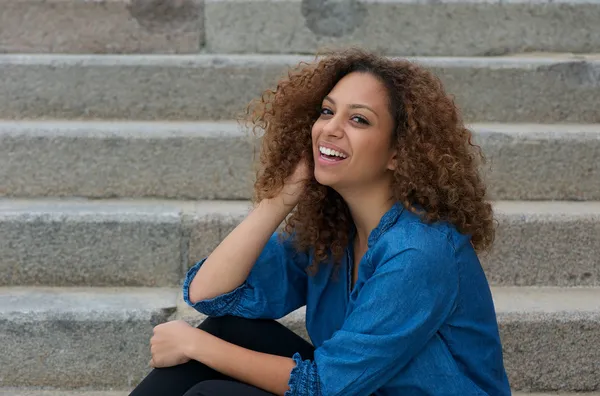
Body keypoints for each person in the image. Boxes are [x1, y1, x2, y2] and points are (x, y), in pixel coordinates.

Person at [130, 48, 511, 396]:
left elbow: (326, 385)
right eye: (327, 112)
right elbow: (209, 296)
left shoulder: (418, 252)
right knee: (229, 330)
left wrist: (197, 346)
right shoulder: (332, 232)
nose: (330, 128)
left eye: (359, 119)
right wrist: (277, 201)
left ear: (398, 152)